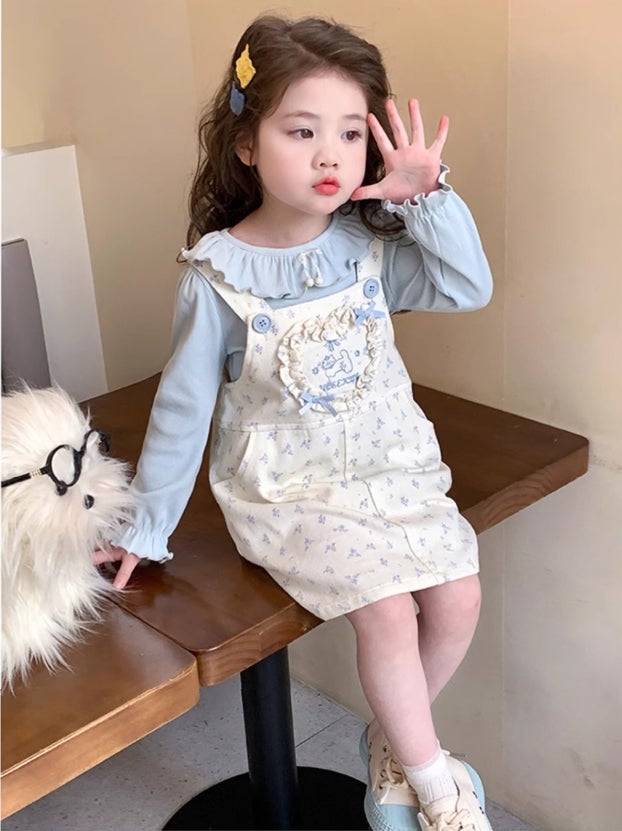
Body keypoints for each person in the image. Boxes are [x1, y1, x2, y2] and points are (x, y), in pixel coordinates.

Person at [97, 14, 494, 831]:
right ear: (247, 143)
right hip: (290, 489)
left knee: (459, 596)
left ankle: (393, 745)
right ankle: (438, 789)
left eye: (350, 132)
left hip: (392, 467)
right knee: (388, 609)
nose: (329, 156)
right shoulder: (217, 275)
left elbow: (467, 287)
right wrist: (146, 526)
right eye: (302, 130)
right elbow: (182, 409)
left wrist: (429, 197)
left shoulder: (369, 248)